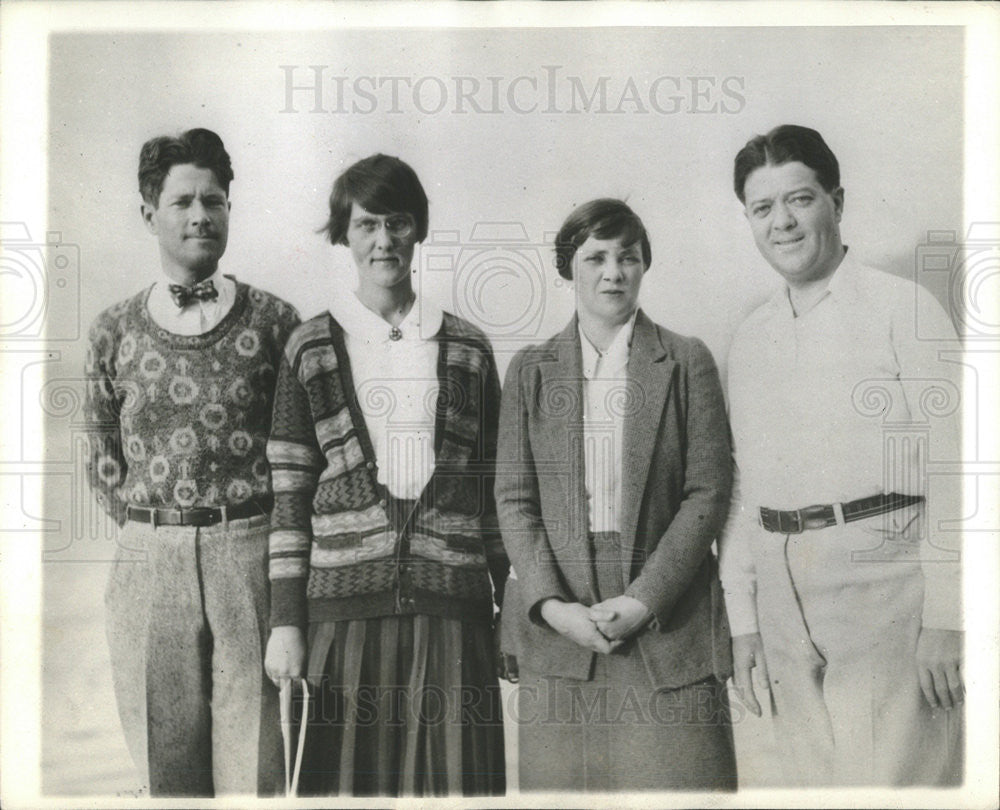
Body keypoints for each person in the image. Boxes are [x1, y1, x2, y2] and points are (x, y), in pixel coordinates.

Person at [721, 124, 964, 786]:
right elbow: (743, 491)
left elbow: (957, 469)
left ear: (838, 199)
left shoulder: (904, 310)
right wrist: (743, 624)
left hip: (887, 596)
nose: (783, 222)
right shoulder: (750, 338)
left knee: (895, 788)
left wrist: (949, 619)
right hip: (783, 610)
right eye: (762, 208)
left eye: (799, 199)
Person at [262, 153, 508, 796]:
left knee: (453, 790)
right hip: (340, 620)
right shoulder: (310, 347)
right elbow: (289, 495)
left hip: (453, 616)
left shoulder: (469, 351)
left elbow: (495, 498)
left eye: (398, 223)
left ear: (418, 229)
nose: (384, 241)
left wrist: (510, 606)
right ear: (345, 233)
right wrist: (286, 622)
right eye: (367, 224)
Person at [83, 128, 299, 796]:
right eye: (181, 202)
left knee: (256, 769)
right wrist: (160, 530)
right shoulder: (112, 329)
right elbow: (101, 460)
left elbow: (300, 457)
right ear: (149, 214)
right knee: (163, 768)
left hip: (251, 555)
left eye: (214, 199)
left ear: (231, 207)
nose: (200, 215)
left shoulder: (275, 321)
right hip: (150, 562)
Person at [496, 198, 737, 791]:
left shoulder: (685, 360)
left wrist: (645, 599)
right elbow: (514, 501)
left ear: (644, 266)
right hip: (561, 627)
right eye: (596, 257)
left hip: (666, 618)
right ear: (568, 269)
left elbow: (708, 491)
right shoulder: (530, 370)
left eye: (628, 257)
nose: (613, 272)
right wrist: (552, 607)